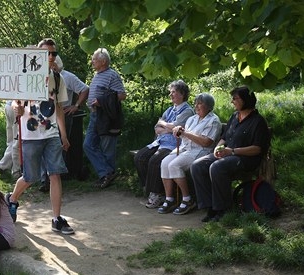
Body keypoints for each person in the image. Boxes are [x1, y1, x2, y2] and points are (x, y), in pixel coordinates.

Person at [6, 38, 73, 235]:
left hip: (51, 133)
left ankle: (57, 218)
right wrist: (17, 108)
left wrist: (64, 135)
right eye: (46, 53)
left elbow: (59, 108)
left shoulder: (58, 78)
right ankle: (12, 198)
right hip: (30, 134)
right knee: (30, 177)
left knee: (55, 173)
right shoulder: (25, 76)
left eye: (53, 53)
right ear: (38, 54)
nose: (51, 57)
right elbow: (14, 103)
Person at [191, 86, 270, 222]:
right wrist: (217, 147)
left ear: (246, 99)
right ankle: (210, 207)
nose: (232, 101)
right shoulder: (234, 116)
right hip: (228, 153)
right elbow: (225, 137)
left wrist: (232, 151)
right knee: (197, 165)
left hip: (245, 158)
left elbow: (257, 149)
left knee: (217, 167)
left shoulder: (258, 121)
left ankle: (223, 209)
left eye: (235, 98)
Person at [134, 80, 194, 209]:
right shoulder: (170, 110)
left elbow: (175, 128)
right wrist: (166, 127)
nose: (171, 95)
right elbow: (157, 128)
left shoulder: (187, 111)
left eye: (174, 92)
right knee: (140, 157)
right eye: (170, 92)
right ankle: (151, 190)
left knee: (155, 161)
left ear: (182, 94)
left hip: (174, 145)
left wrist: (164, 124)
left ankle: (157, 194)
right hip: (160, 141)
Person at [158, 93, 222, 215]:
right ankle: (169, 199)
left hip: (201, 151)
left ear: (208, 106)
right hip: (185, 149)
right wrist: (178, 133)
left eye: (200, 103)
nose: (196, 106)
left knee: (174, 165)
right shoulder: (192, 119)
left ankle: (188, 199)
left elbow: (206, 142)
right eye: (196, 103)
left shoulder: (213, 121)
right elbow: (184, 137)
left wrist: (185, 133)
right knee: (165, 163)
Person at [82, 48, 127, 189]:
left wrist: (102, 101)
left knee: (108, 148)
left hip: (106, 116)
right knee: (88, 145)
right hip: (95, 115)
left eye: (94, 59)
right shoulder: (96, 75)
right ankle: (107, 173)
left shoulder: (112, 75)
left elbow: (122, 95)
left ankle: (107, 177)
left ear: (103, 61)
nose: (92, 61)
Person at [0, 100, 21, 179]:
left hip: (9, 105)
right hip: (17, 107)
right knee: (17, 141)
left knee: (12, 140)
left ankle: (3, 165)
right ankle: (16, 171)